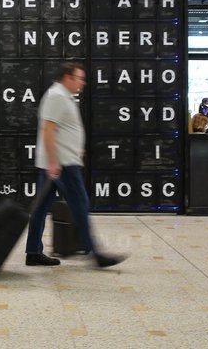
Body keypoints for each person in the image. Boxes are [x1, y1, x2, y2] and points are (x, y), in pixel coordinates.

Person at [26, 62, 125, 268]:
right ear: (67, 77)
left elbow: (62, 129)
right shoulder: (57, 96)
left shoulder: (63, 96)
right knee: (80, 205)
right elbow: (47, 130)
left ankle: (33, 252)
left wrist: (76, 146)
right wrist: (53, 161)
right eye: (80, 78)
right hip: (62, 165)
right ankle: (95, 253)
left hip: (60, 162)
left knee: (41, 209)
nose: (83, 82)